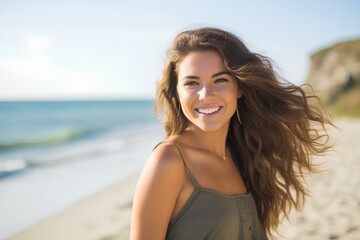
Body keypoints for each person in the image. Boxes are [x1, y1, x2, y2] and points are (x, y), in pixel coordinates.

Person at [130, 27, 332, 240]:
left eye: (220, 80)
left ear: (239, 87)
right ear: (177, 92)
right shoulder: (169, 160)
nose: (206, 95)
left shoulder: (241, 152)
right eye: (192, 83)